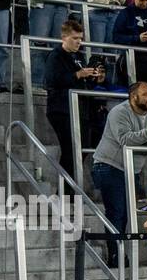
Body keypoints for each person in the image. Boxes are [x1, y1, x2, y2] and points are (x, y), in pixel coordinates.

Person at [91, 82, 147, 264]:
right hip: (108, 166)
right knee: (117, 212)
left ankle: (119, 255)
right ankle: (115, 256)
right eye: (146, 95)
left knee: (126, 213)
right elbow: (125, 140)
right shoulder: (119, 112)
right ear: (133, 97)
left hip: (131, 169)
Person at [45, 19, 104, 179]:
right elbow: (51, 80)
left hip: (81, 109)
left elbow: (82, 84)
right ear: (64, 37)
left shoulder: (79, 57)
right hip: (62, 109)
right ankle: (65, 189)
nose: (78, 42)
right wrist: (78, 74)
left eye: (80, 38)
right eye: (75, 38)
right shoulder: (56, 55)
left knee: (82, 148)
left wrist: (94, 79)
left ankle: (67, 187)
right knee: (70, 149)